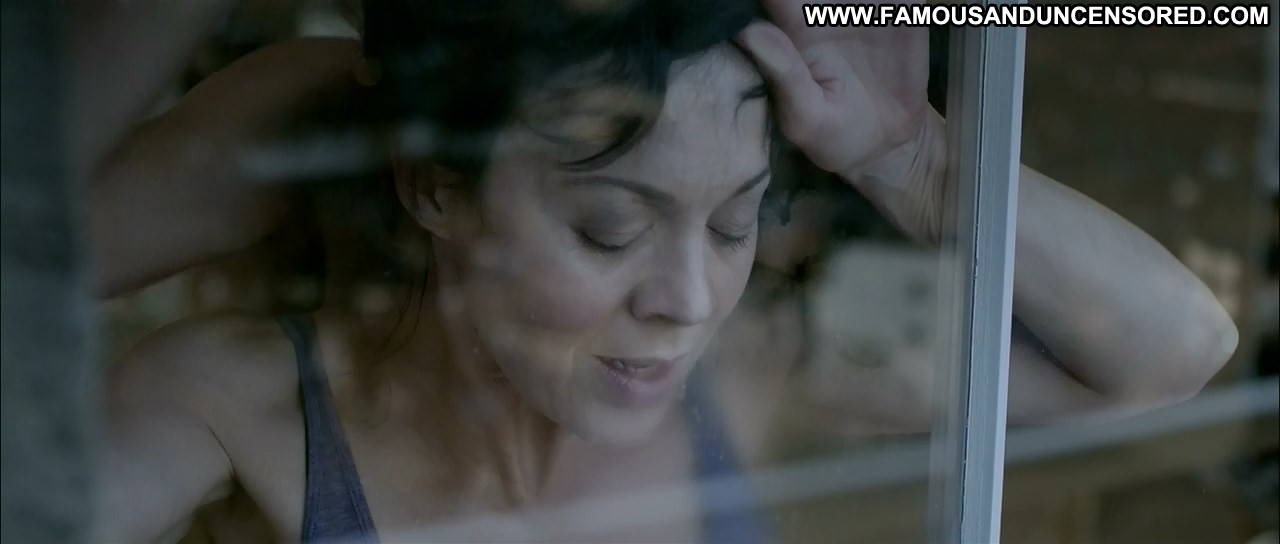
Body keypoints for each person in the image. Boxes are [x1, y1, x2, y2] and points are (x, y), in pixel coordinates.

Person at [87, 0, 1239, 542]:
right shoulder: (225, 408)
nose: (686, 301)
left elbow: (1171, 351)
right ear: (433, 187)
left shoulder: (751, 368)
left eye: (733, 225)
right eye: (608, 230)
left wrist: (917, 162)